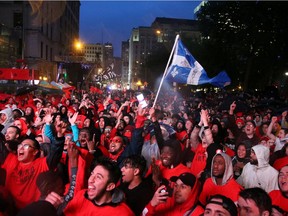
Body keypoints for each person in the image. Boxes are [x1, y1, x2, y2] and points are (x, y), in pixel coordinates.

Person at [63, 157, 134, 216]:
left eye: (98, 177)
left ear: (110, 186)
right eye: (92, 174)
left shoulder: (123, 213)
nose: (90, 180)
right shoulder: (81, 195)